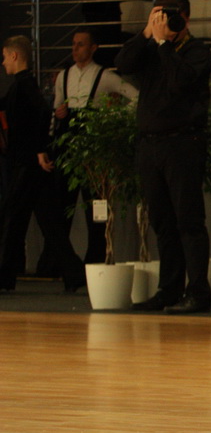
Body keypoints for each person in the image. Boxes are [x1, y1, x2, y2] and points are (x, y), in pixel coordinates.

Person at [115, 0, 211, 314]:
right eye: (158, 15)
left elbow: (181, 82)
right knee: (162, 221)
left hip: (182, 143)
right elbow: (123, 64)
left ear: (185, 18)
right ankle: (169, 290)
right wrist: (146, 34)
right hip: (150, 145)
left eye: (169, 15)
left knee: (189, 221)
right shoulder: (150, 46)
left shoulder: (197, 51)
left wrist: (163, 44)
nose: (163, 21)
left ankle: (197, 292)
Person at [35, 28, 138, 273]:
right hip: (68, 146)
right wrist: (58, 116)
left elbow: (136, 97)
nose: (75, 48)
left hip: (93, 147)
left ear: (93, 48)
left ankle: (96, 258)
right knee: (62, 205)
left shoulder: (105, 76)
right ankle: (57, 262)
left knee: (95, 205)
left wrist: (111, 116)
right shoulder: (63, 76)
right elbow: (56, 111)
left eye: (80, 44)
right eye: (73, 44)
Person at [0, 36, 85, 293]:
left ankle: (4, 276)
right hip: (30, 163)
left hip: (27, 163)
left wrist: (39, 150)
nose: (3, 62)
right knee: (49, 222)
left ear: (14, 56)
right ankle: (73, 273)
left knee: (12, 219)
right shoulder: (23, 85)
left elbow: (40, 113)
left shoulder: (24, 85)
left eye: (4, 57)